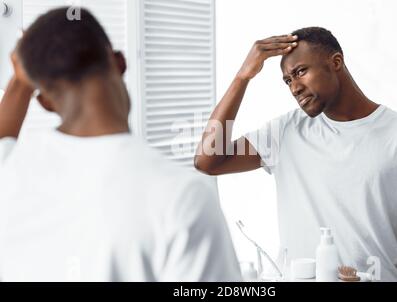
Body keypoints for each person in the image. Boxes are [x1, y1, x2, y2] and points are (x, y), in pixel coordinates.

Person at [0, 7, 241, 282]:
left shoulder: (10, 173)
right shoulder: (183, 196)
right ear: (119, 62)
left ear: (44, 102)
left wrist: (22, 79)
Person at [195, 27, 397, 282]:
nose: (295, 88)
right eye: (288, 80)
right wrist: (243, 77)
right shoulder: (285, 132)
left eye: (300, 72)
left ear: (336, 62)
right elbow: (207, 160)